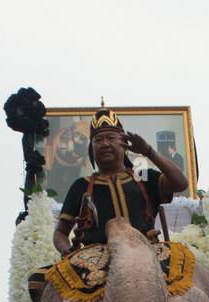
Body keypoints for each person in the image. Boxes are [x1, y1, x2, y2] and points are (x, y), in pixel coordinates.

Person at [53, 106, 188, 256]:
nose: (104, 144)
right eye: (98, 140)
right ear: (91, 148)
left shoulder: (143, 178)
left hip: (148, 253)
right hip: (95, 259)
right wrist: (67, 250)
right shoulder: (81, 185)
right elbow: (60, 232)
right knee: (38, 278)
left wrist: (148, 151)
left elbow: (181, 183)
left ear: (124, 144)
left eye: (111, 138)